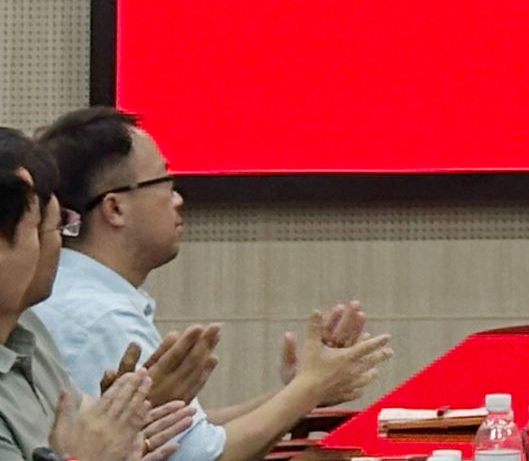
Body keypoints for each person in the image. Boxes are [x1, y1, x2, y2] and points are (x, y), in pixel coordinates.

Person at [31, 110, 392, 461]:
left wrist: (302, 387)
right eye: (165, 182)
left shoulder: (82, 293)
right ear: (114, 209)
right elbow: (207, 457)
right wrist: (310, 387)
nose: (178, 199)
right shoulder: (98, 318)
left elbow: (189, 434)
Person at [0, 129, 192, 461]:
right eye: (52, 227)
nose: (57, 246)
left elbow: (89, 428)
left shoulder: (28, 330)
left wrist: (124, 417)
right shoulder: (92, 314)